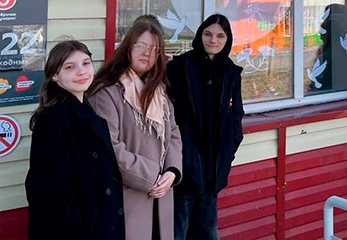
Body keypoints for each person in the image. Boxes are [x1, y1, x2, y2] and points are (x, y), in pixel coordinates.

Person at [89, 19, 183, 240]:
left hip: (161, 194)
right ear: (127, 47)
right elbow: (110, 148)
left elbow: (173, 133)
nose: (147, 53)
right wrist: (152, 177)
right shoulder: (107, 92)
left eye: (154, 49)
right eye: (140, 45)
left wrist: (172, 172)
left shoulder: (158, 91)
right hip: (128, 197)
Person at [25, 40, 125, 239]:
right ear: (55, 75)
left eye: (86, 63)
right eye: (70, 67)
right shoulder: (54, 119)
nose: (82, 72)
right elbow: (49, 191)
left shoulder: (85, 110)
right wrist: (82, 228)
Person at [167, 14, 244, 240]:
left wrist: (227, 155)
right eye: (208, 34)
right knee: (176, 233)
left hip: (213, 173)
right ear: (200, 35)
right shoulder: (180, 67)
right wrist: (175, 159)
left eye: (220, 36)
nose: (213, 40)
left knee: (207, 234)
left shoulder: (231, 72)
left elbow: (236, 118)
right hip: (184, 169)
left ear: (227, 39)